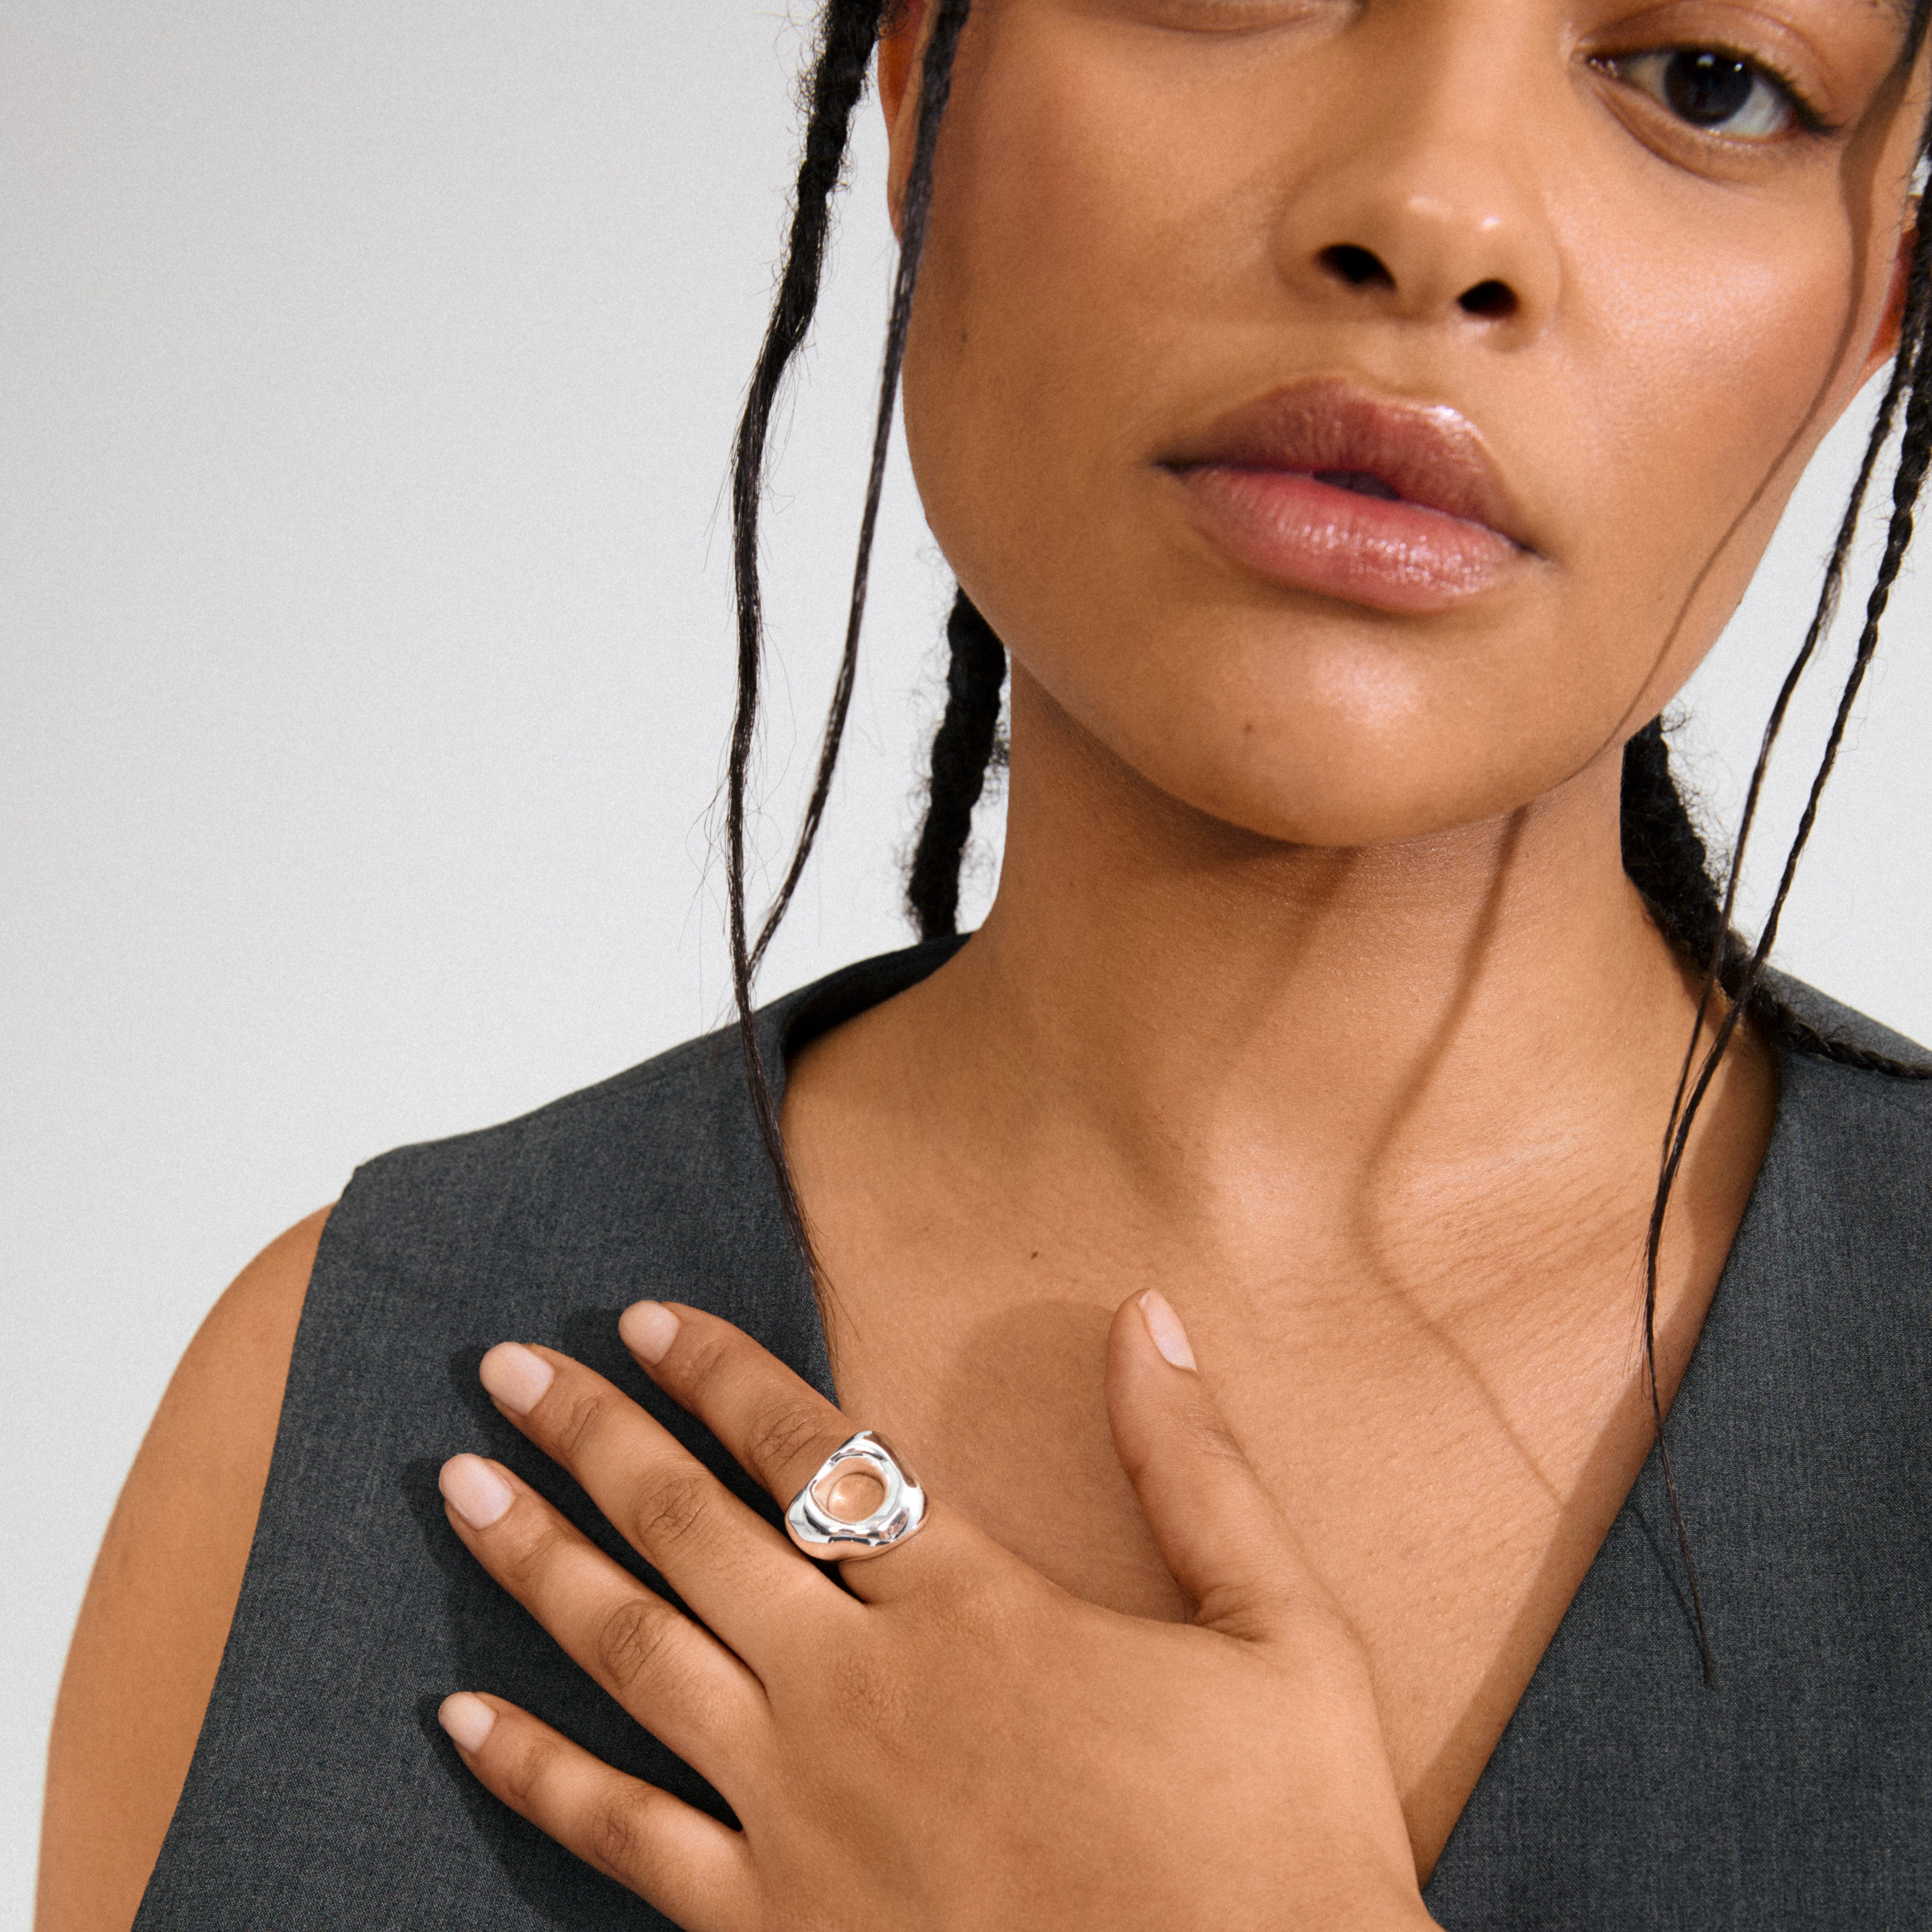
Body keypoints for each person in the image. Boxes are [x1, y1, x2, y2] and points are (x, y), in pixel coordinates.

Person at [36, 0, 1932, 1925]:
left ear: (1881, 301)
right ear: (923, 72)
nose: (1434, 214)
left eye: (1710, 80)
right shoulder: (332, 1415)